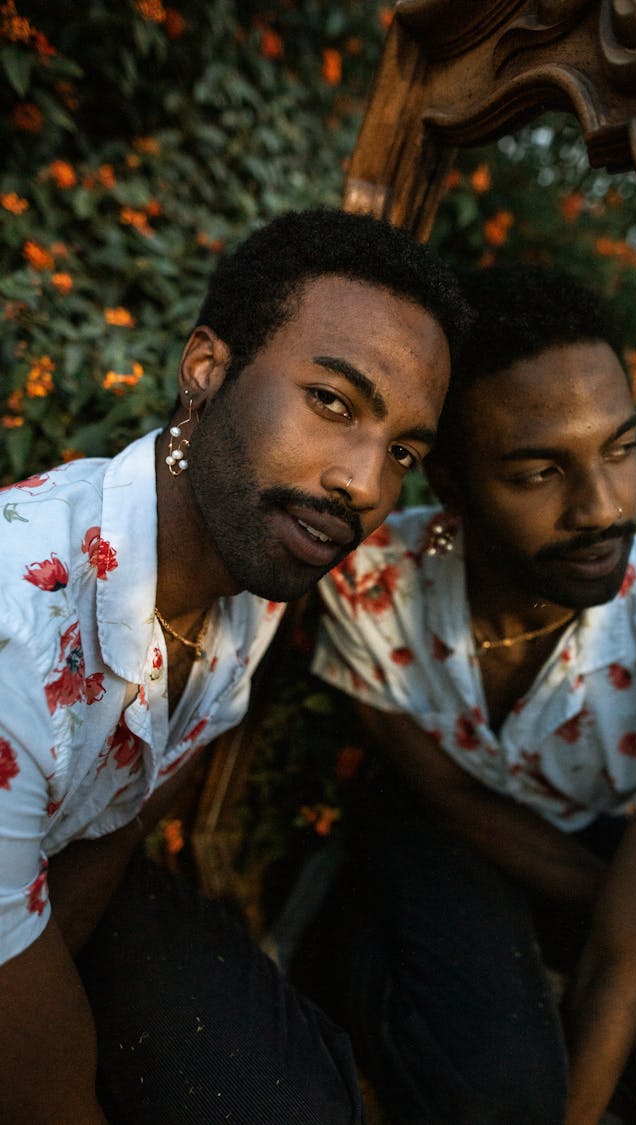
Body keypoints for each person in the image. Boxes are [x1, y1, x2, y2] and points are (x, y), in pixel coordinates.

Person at [0, 206, 472, 1125]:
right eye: (333, 402)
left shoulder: (251, 568)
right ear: (206, 369)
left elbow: (114, 825)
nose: (367, 486)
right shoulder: (16, 628)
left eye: (404, 453)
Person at [311, 264, 636, 1125]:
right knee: (500, 1089)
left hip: (582, 827)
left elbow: (624, 966)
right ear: (451, 487)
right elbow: (442, 793)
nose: (601, 508)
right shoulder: (371, 581)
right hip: (428, 817)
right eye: (538, 470)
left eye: (619, 450)